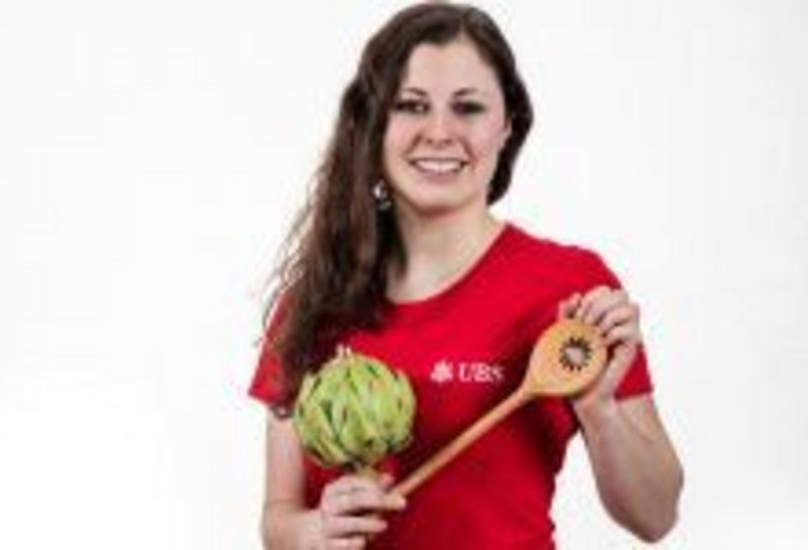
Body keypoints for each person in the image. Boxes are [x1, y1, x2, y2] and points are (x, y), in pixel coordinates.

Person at [248, 3, 683, 548]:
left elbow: (656, 515)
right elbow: (278, 520)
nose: (439, 132)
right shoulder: (313, 300)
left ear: (507, 127)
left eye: (468, 107)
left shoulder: (570, 289)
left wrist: (600, 409)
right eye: (411, 106)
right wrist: (316, 531)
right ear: (372, 125)